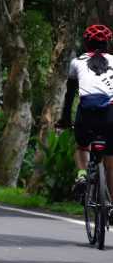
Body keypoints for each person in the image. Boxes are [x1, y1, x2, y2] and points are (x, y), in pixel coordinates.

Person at [57, 24, 113, 201]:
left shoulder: (77, 62)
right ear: (107, 44)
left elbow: (70, 95)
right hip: (110, 115)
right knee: (111, 162)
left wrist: (65, 119)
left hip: (87, 114)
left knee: (82, 146)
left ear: (86, 43)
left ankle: (81, 175)